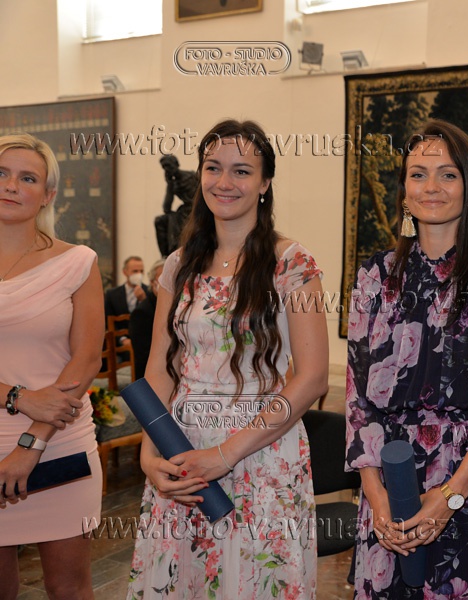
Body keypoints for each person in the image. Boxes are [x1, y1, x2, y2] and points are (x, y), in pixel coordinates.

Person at [126, 119, 329, 599]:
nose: (224, 181)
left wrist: (225, 454)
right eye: (213, 167)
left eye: (242, 170)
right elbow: (160, 369)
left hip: (261, 448)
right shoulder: (178, 265)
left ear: (265, 182)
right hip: (182, 449)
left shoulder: (292, 263)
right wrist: (149, 455)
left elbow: (313, 377)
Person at [345, 119, 468, 599]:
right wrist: (377, 499)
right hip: (390, 486)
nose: (431, 186)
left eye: (447, 174)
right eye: (418, 174)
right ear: (404, 190)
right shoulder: (374, 275)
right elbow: (358, 401)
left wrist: (448, 498)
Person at [0, 133, 105, 599]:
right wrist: (19, 397)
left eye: (28, 178)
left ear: (48, 195)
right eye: (2, 173)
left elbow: (87, 358)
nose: (11, 185)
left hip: (58, 441)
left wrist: (31, 442)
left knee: (69, 588)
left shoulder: (77, 262)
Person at [154, 155, 198, 257]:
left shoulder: (192, 176)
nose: (167, 169)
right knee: (160, 220)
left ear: (176, 164)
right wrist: (169, 186)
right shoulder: (173, 184)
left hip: (197, 209)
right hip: (184, 210)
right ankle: (166, 257)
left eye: (169, 165)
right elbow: (166, 208)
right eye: (164, 167)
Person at [128, 259, 165, 379]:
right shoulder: (142, 312)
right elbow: (145, 356)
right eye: (163, 278)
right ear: (152, 282)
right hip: (151, 377)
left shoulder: (175, 306)